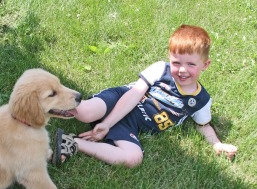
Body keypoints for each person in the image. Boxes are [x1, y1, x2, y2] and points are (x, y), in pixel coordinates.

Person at [52, 24, 238, 168]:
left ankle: (73, 142)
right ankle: (49, 96)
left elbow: (203, 125)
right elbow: (133, 94)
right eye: (176, 62)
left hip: (131, 125)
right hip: (120, 99)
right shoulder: (160, 69)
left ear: (205, 65)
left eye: (191, 64)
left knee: (133, 158)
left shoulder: (201, 101)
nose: (182, 70)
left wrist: (217, 144)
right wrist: (106, 123)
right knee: (85, 113)